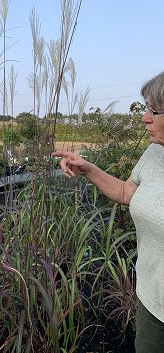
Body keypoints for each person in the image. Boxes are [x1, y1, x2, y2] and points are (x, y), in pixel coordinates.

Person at [52, 71, 164, 353]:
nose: (144, 118)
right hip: (153, 299)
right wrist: (87, 168)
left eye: (154, 110)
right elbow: (128, 192)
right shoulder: (155, 153)